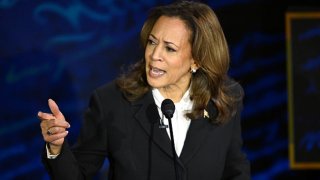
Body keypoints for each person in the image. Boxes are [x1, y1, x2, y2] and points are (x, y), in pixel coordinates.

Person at [38, 1, 251, 179]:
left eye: (169, 48)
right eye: (152, 42)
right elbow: (77, 175)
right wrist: (56, 148)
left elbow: (236, 170)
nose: (154, 55)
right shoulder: (111, 102)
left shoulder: (225, 98)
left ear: (196, 59)